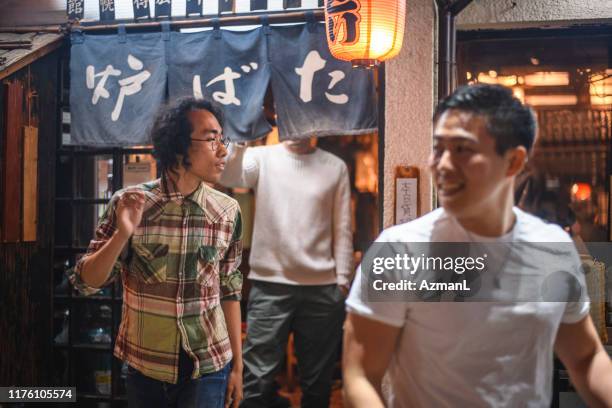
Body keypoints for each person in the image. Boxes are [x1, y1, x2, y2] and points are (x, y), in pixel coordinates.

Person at [343, 84, 612, 407]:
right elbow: (360, 376)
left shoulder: (550, 247)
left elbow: (585, 358)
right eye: (438, 148)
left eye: (461, 149)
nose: (441, 164)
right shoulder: (400, 251)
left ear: (513, 162)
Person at [68, 98, 244, 408]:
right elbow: (87, 282)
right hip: (145, 366)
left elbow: (229, 291)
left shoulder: (227, 211)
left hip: (209, 367)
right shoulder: (130, 203)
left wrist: (238, 369)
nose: (222, 150)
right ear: (177, 146)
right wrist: (123, 233)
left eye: (222, 138)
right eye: (211, 138)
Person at [219, 137, 353, 408]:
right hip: (269, 284)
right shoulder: (262, 157)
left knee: (318, 384)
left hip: (322, 288)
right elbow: (229, 174)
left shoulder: (334, 166)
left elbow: (342, 226)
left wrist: (342, 280)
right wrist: (241, 139)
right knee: (257, 378)